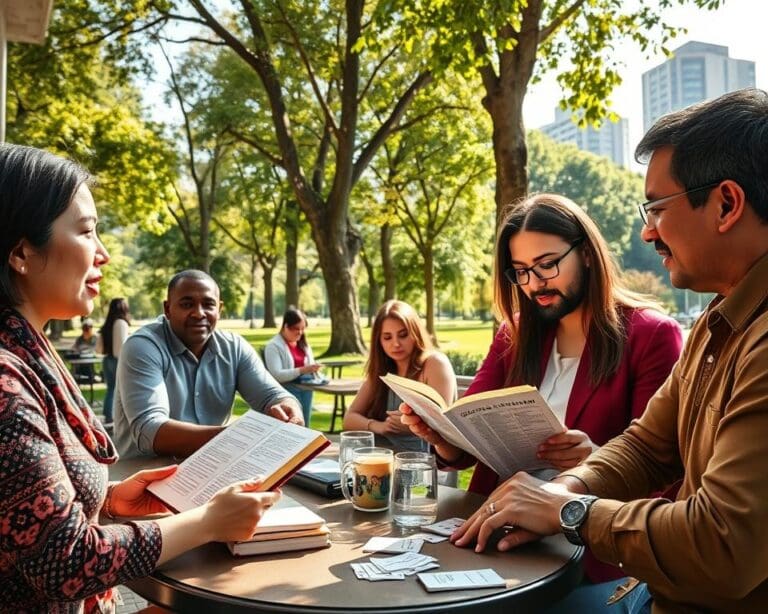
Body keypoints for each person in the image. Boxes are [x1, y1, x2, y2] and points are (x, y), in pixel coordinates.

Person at [452, 88, 768, 612]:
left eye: (657, 208)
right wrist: (560, 491)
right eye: (521, 272)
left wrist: (569, 511)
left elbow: (724, 543)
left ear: (727, 204)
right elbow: (645, 445)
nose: (646, 231)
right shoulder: (721, 319)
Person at [0, 144, 282, 611]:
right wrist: (208, 522)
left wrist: (108, 502)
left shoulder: (28, 352)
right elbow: (65, 561)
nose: (104, 254)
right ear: (22, 253)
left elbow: (25, 514)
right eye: (88, 232)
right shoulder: (7, 384)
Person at [402, 193, 682, 582]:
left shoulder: (650, 335)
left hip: (586, 552)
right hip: (490, 535)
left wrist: (596, 458)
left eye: (547, 265)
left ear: (585, 253)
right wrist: (442, 436)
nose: (534, 284)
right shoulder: (513, 335)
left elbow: (663, 472)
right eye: (520, 270)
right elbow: (469, 436)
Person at [113, 269, 303, 459]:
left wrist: (288, 408)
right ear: (168, 309)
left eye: (208, 304)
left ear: (219, 310)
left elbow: (273, 396)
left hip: (209, 471)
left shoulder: (234, 348)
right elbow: (151, 431)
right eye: (187, 304)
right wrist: (239, 437)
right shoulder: (142, 347)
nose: (198, 313)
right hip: (141, 477)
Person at [343, 300, 456, 452]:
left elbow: (444, 424)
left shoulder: (434, 363)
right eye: (387, 337)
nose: (396, 344)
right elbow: (349, 418)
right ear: (379, 341)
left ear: (415, 333)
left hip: (426, 460)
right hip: (383, 456)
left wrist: (413, 425)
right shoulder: (381, 369)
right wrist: (381, 427)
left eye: (403, 335)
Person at [264, 306, 325, 426]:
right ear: (286, 326)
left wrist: (314, 369)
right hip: (287, 390)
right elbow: (277, 375)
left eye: (303, 329)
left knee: (305, 425)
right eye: (296, 328)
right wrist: (302, 370)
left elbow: (309, 364)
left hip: (306, 389)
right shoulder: (273, 346)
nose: (300, 333)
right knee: (291, 425)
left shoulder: (303, 344)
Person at [98, 297, 130, 426]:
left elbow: (99, 348)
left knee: (111, 388)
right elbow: (122, 346)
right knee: (119, 389)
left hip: (107, 359)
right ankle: (114, 416)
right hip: (118, 360)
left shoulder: (107, 324)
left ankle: (108, 414)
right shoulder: (121, 323)